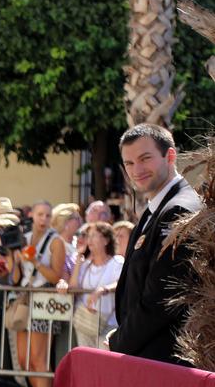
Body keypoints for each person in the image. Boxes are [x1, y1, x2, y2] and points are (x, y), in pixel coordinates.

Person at [109, 123, 202, 364]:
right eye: (129, 163)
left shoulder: (179, 209)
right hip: (149, 358)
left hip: (165, 363)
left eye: (145, 158)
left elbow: (161, 301)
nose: (136, 170)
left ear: (170, 156)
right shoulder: (158, 208)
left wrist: (118, 342)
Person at [8, 200, 65, 387]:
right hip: (24, 298)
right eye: (40, 214)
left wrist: (35, 262)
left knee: (39, 359)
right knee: (23, 360)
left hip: (44, 300)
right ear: (32, 215)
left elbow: (55, 276)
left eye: (48, 215)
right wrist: (13, 258)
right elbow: (14, 278)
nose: (44, 219)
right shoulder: (25, 238)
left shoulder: (56, 241)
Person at [56, 222, 124, 348]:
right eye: (88, 236)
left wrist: (103, 290)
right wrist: (78, 261)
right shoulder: (85, 265)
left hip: (108, 323)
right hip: (85, 322)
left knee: (104, 362)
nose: (89, 239)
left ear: (106, 240)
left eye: (94, 235)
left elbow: (121, 282)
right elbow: (74, 286)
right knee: (87, 362)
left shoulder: (117, 262)